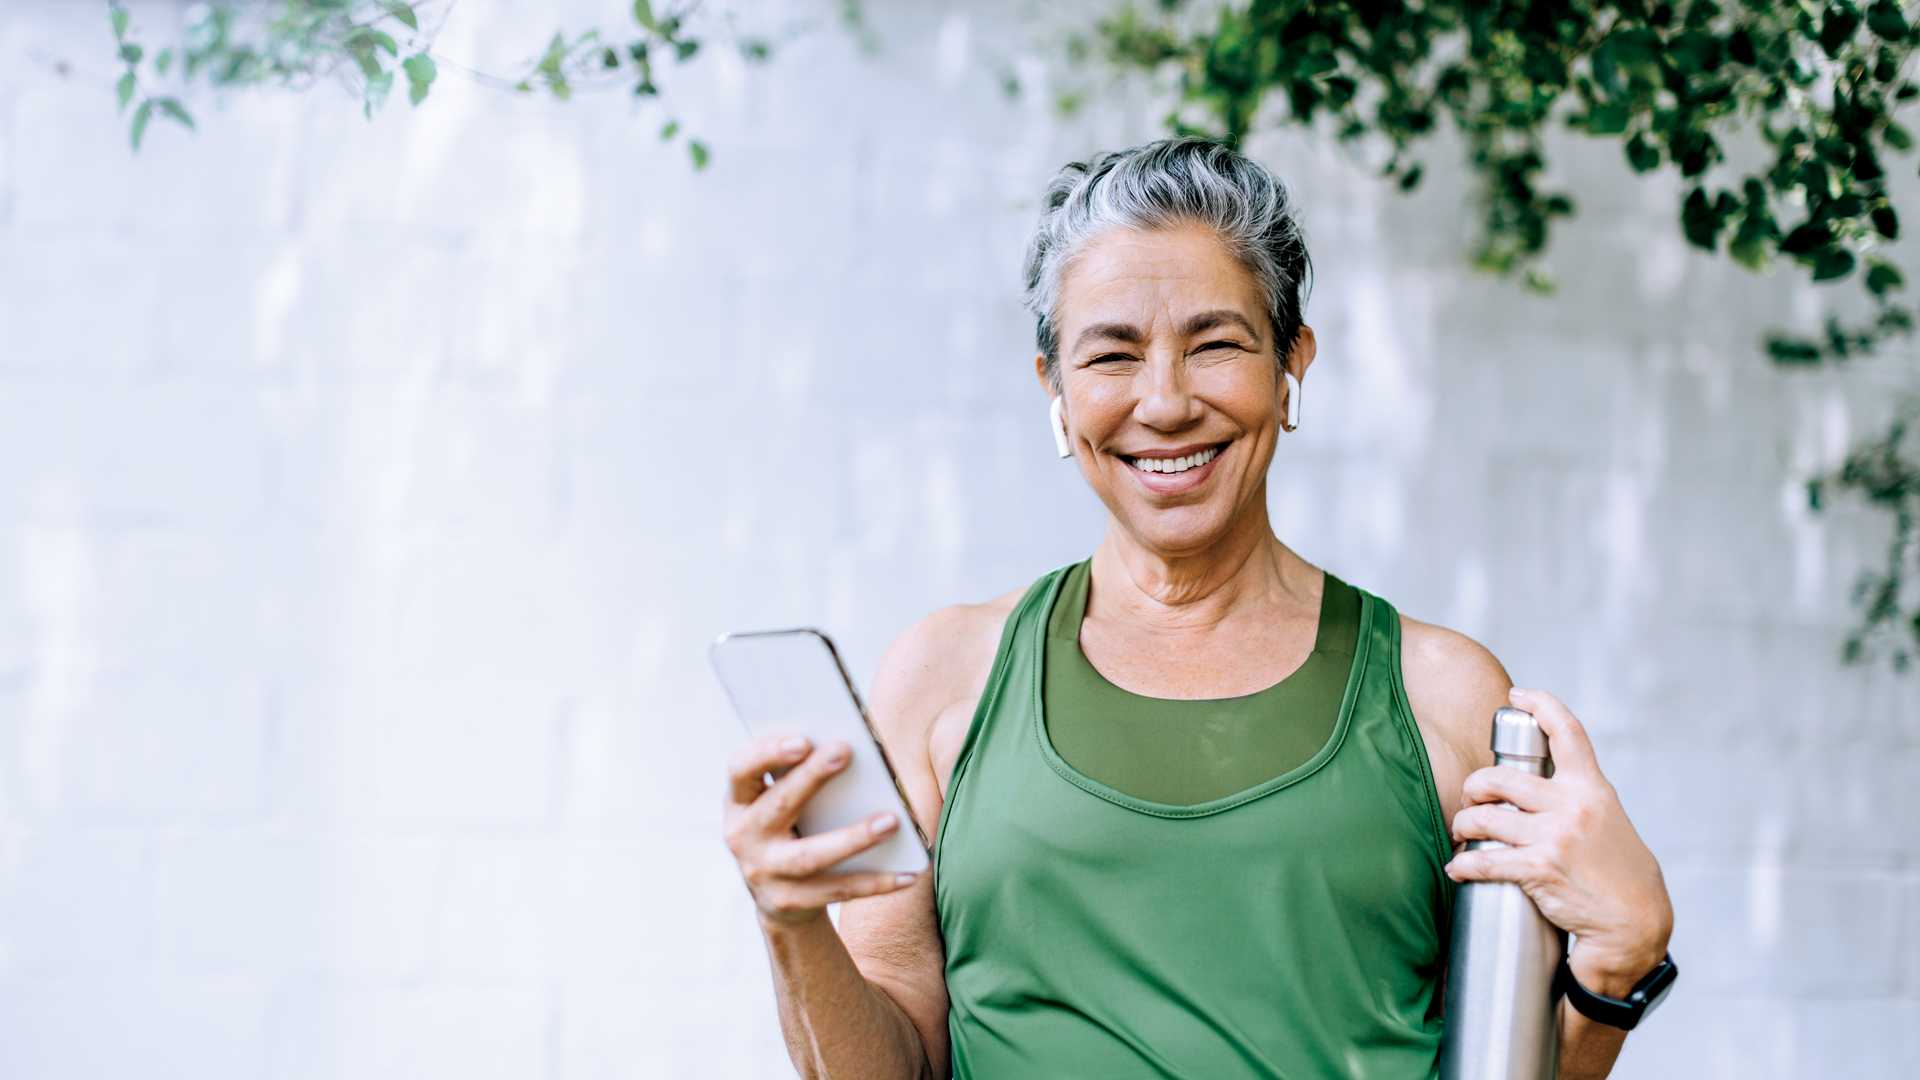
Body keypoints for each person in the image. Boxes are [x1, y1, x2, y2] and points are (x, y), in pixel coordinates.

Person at [722, 137, 1674, 1080]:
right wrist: (792, 923)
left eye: (1215, 344)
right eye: (1113, 355)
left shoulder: (1446, 693)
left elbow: (1506, 1074)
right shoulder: (942, 679)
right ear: (1055, 386)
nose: (1166, 402)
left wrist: (1619, 959)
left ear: (1290, 362)